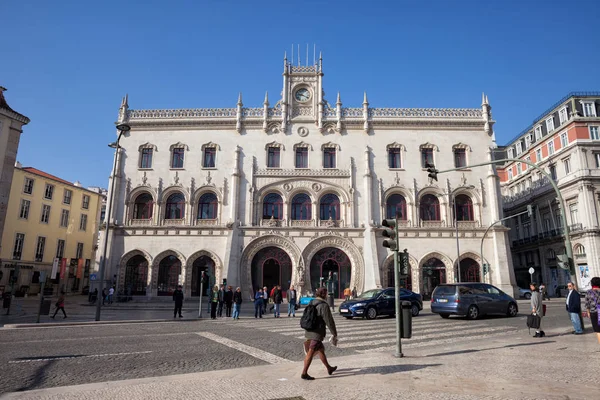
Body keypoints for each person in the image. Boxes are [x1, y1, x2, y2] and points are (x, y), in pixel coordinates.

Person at [301, 287, 338, 380]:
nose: (327, 296)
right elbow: (329, 321)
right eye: (326, 294)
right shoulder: (324, 305)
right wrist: (334, 333)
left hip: (309, 329)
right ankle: (304, 373)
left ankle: (329, 368)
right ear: (323, 294)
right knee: (311, 351)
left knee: (320, 349)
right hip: (316, 333)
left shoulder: (312, 302)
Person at [583, 276, 600, 345]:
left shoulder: (589, 292)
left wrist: (588, 312)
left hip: (594, 313)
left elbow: (587, 304)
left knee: (598, 331)